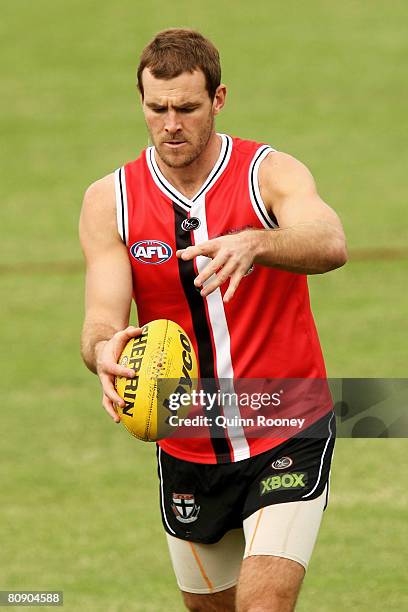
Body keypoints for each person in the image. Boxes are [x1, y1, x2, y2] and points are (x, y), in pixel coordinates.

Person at [80, 28, 347, 612]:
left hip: (286, 425)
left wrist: (257, 243)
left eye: (187, 108)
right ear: (142, 103)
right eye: (157, 108)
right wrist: (103, 351)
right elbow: (102, 320)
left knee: (263, 606)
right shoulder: (111, 201)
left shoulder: (267, 172)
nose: (171, 123)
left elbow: (329, 241)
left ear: (218, 100)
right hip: (186, 445)